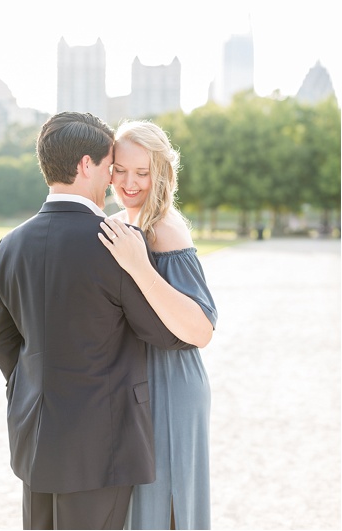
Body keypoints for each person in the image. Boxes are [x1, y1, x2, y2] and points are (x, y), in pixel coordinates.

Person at [0, 111, 195, 530]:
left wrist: (34, 388)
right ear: (86, 165)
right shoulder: (115, 242)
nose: (113, 181)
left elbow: (3, 342)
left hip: (34, 438)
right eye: (109, 167)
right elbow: (165, 333)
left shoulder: (7, 246)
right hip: (103, 445)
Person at [98, 119, 218, 529]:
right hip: (136, 382)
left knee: (168, 507)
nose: (130, 183)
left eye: (142, 173)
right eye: (121, 170)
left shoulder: (165, 228)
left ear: (160, 173)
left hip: (172, 383)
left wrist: (139, 266)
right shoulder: (120, 220)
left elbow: (201, 329)